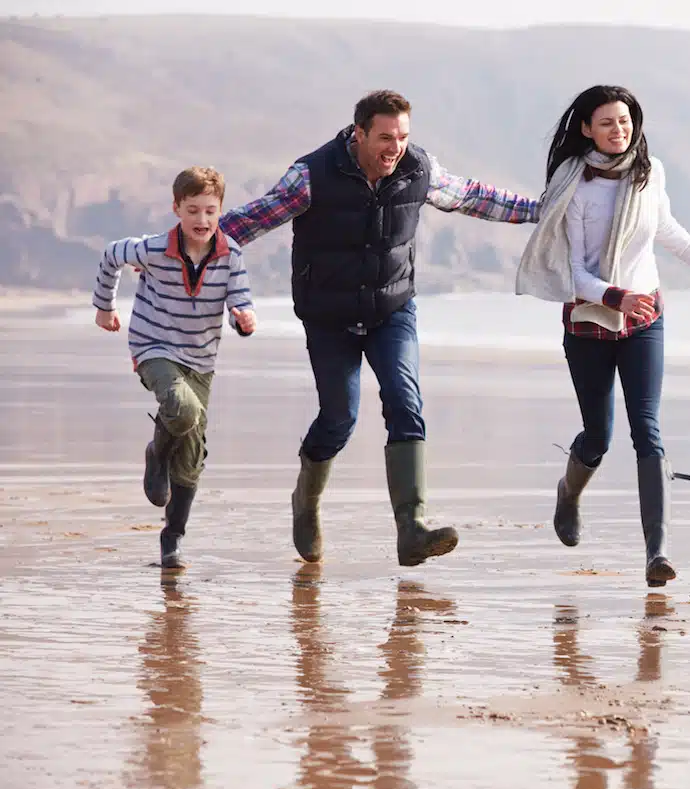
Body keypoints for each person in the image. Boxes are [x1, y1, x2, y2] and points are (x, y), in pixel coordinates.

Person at [219, 90, 540, 567]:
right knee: (340, 417)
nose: (396, 148)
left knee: (406, 403)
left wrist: (544, 210)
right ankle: (305, 502)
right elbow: (247, 222)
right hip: (328, 315)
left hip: (392, 309)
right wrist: (178, 250)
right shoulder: (311, 175)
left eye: (404, 137)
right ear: (360, 133)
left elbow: (476, 197)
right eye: (386, 137)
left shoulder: (418, 169)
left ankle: (411, 528)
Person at [516, 84, 690, 587]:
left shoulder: (650, 172)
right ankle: (569, 494)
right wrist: (613, 296)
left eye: (625, 121)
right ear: (586, 129)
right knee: (599, 435)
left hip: (646, 320)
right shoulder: (572, 184)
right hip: (589, 322)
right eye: (606, 123)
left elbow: (664, 227)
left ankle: (657, 552)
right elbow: (568, 268)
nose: (619, 130)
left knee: (648, 428)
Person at [92, 166, 257, 568]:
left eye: (210, 211)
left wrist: (244, 319)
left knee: (192, 457)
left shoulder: (230, 254)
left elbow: (241, 301)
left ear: (220, 211)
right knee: (183, 410)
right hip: (154, 347)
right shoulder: (151, 249)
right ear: (177, 209)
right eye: (193, 210)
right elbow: (111, 255)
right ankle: (157, 453)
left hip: (201, 359)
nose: (202, 220)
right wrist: (104, 307)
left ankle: (173, 539)